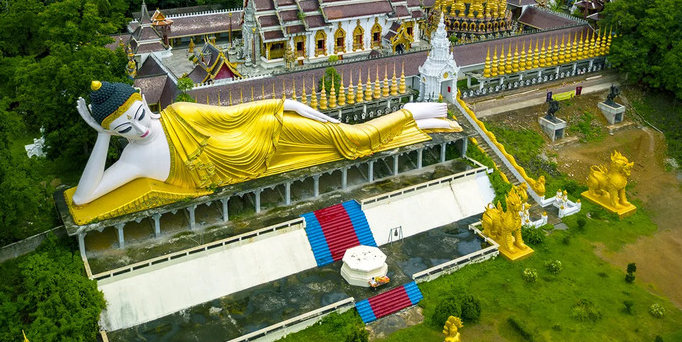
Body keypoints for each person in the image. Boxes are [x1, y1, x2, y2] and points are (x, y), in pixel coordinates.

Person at [68, 81, 459, 222]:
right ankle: (415, 120)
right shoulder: (134, 160)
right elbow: (84, 197)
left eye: (140, 115)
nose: (141, 128)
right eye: (125, 129)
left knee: (353, 141)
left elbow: (237, 114)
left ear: (144, 102)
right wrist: (99, 134)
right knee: (354, 145)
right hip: (263, 163)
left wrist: (297, 107)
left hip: (271, 130)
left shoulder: (179, 114)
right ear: (116, 136)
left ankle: (412, 115)